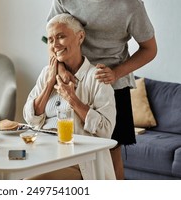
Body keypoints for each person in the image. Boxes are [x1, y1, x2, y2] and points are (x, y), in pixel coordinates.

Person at [47, 0, 157, 179]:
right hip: (71, 81)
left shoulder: (130, 5)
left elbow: (149, 49)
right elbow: (52, 37)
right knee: (62, 147)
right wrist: (60, 71)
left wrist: (117, 72)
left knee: (111, 153)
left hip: (110, 84)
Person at [23, 14, 116, 180]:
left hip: (76, 158)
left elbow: (105, 131)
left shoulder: (97, 77)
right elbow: (30, 118)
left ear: (80, 37)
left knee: (32, 182)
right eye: (51, 40)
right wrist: (50, 82)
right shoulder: (47, 73)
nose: (55, 44)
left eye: (61, 37)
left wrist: (72, 98)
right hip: (42, 150)